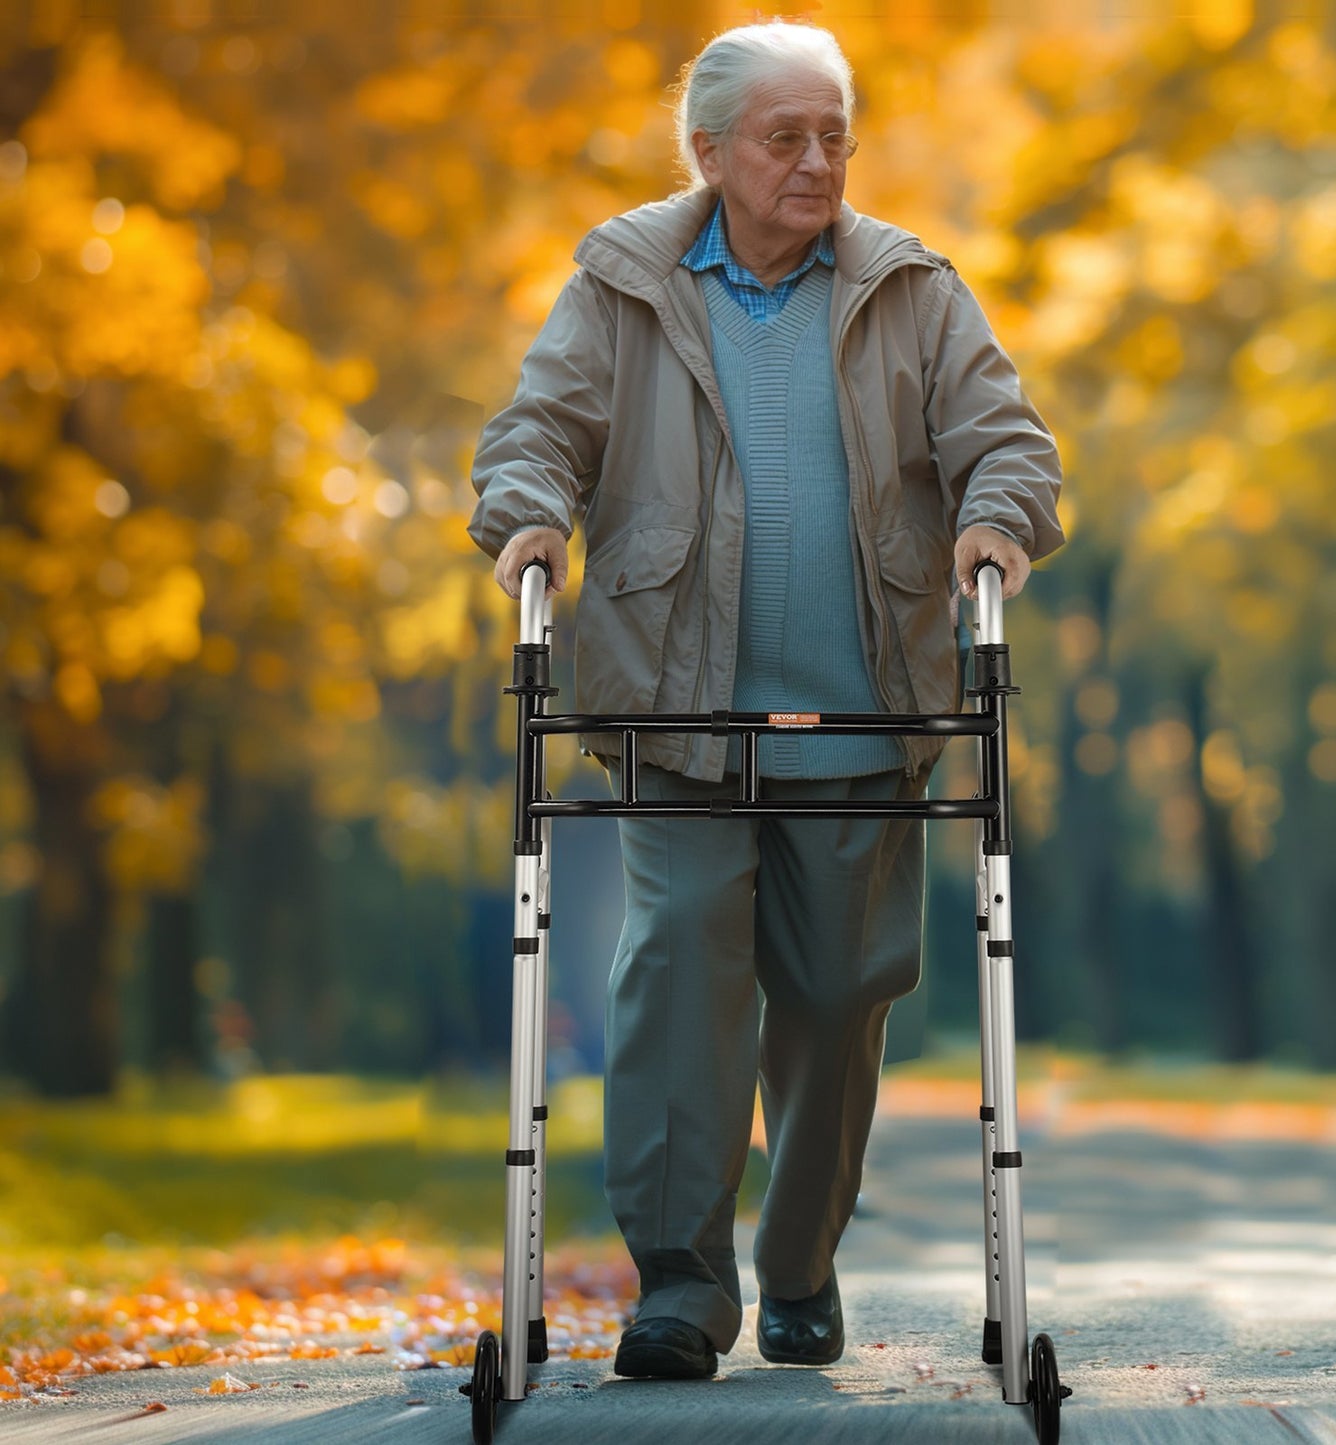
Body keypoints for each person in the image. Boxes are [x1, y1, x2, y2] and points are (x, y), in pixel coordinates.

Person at [469, 20, 1064, 1382]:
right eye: (785, 138)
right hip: (679, 716)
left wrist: (995, 520)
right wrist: (528, 516)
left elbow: (1003, 437)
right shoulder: (623, 281)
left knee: (839, 993)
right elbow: (537, 428)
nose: (816, 162)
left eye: (834, 135)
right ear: (710, 151)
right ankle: (680, 1284)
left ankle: (797, 1260)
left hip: (864, 717)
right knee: (679, 966)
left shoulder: (910, 286)